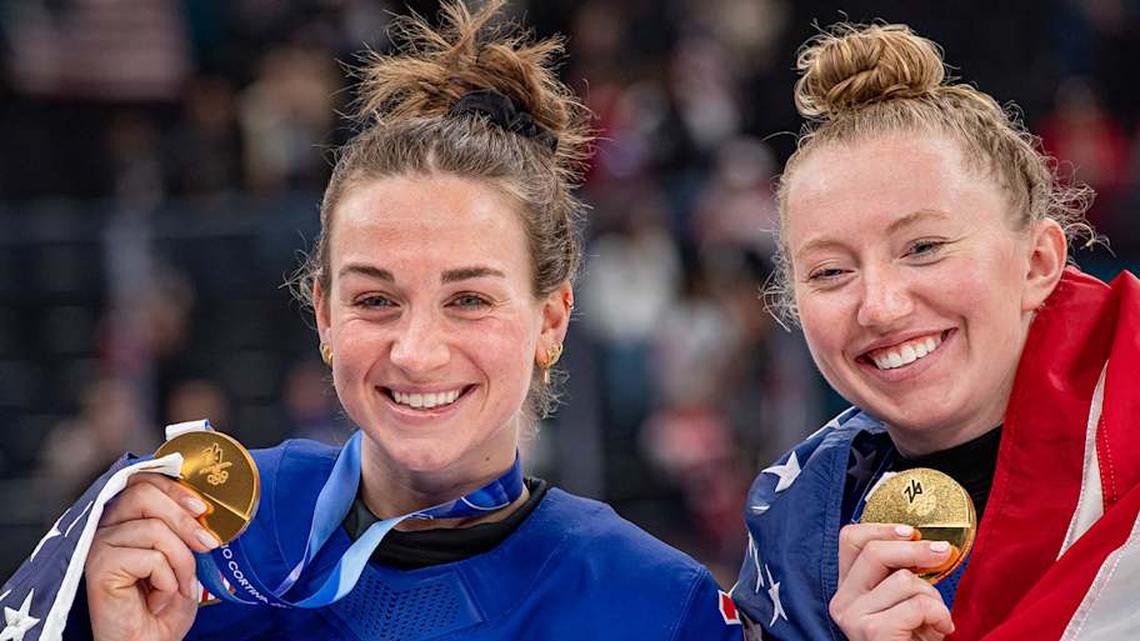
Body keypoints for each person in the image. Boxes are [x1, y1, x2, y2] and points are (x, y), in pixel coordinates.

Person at [0, 3, 744, 641]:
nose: (416, 352)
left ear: (552, 318)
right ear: (323, 314)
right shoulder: (180, 527)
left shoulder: (653, 605)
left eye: (470, 299)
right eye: (376, 300)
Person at [731, 22, 1140, 641]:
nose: (881, 307)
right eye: (831, 271)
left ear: (1038, 264)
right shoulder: (793, 531)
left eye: (923, 247)